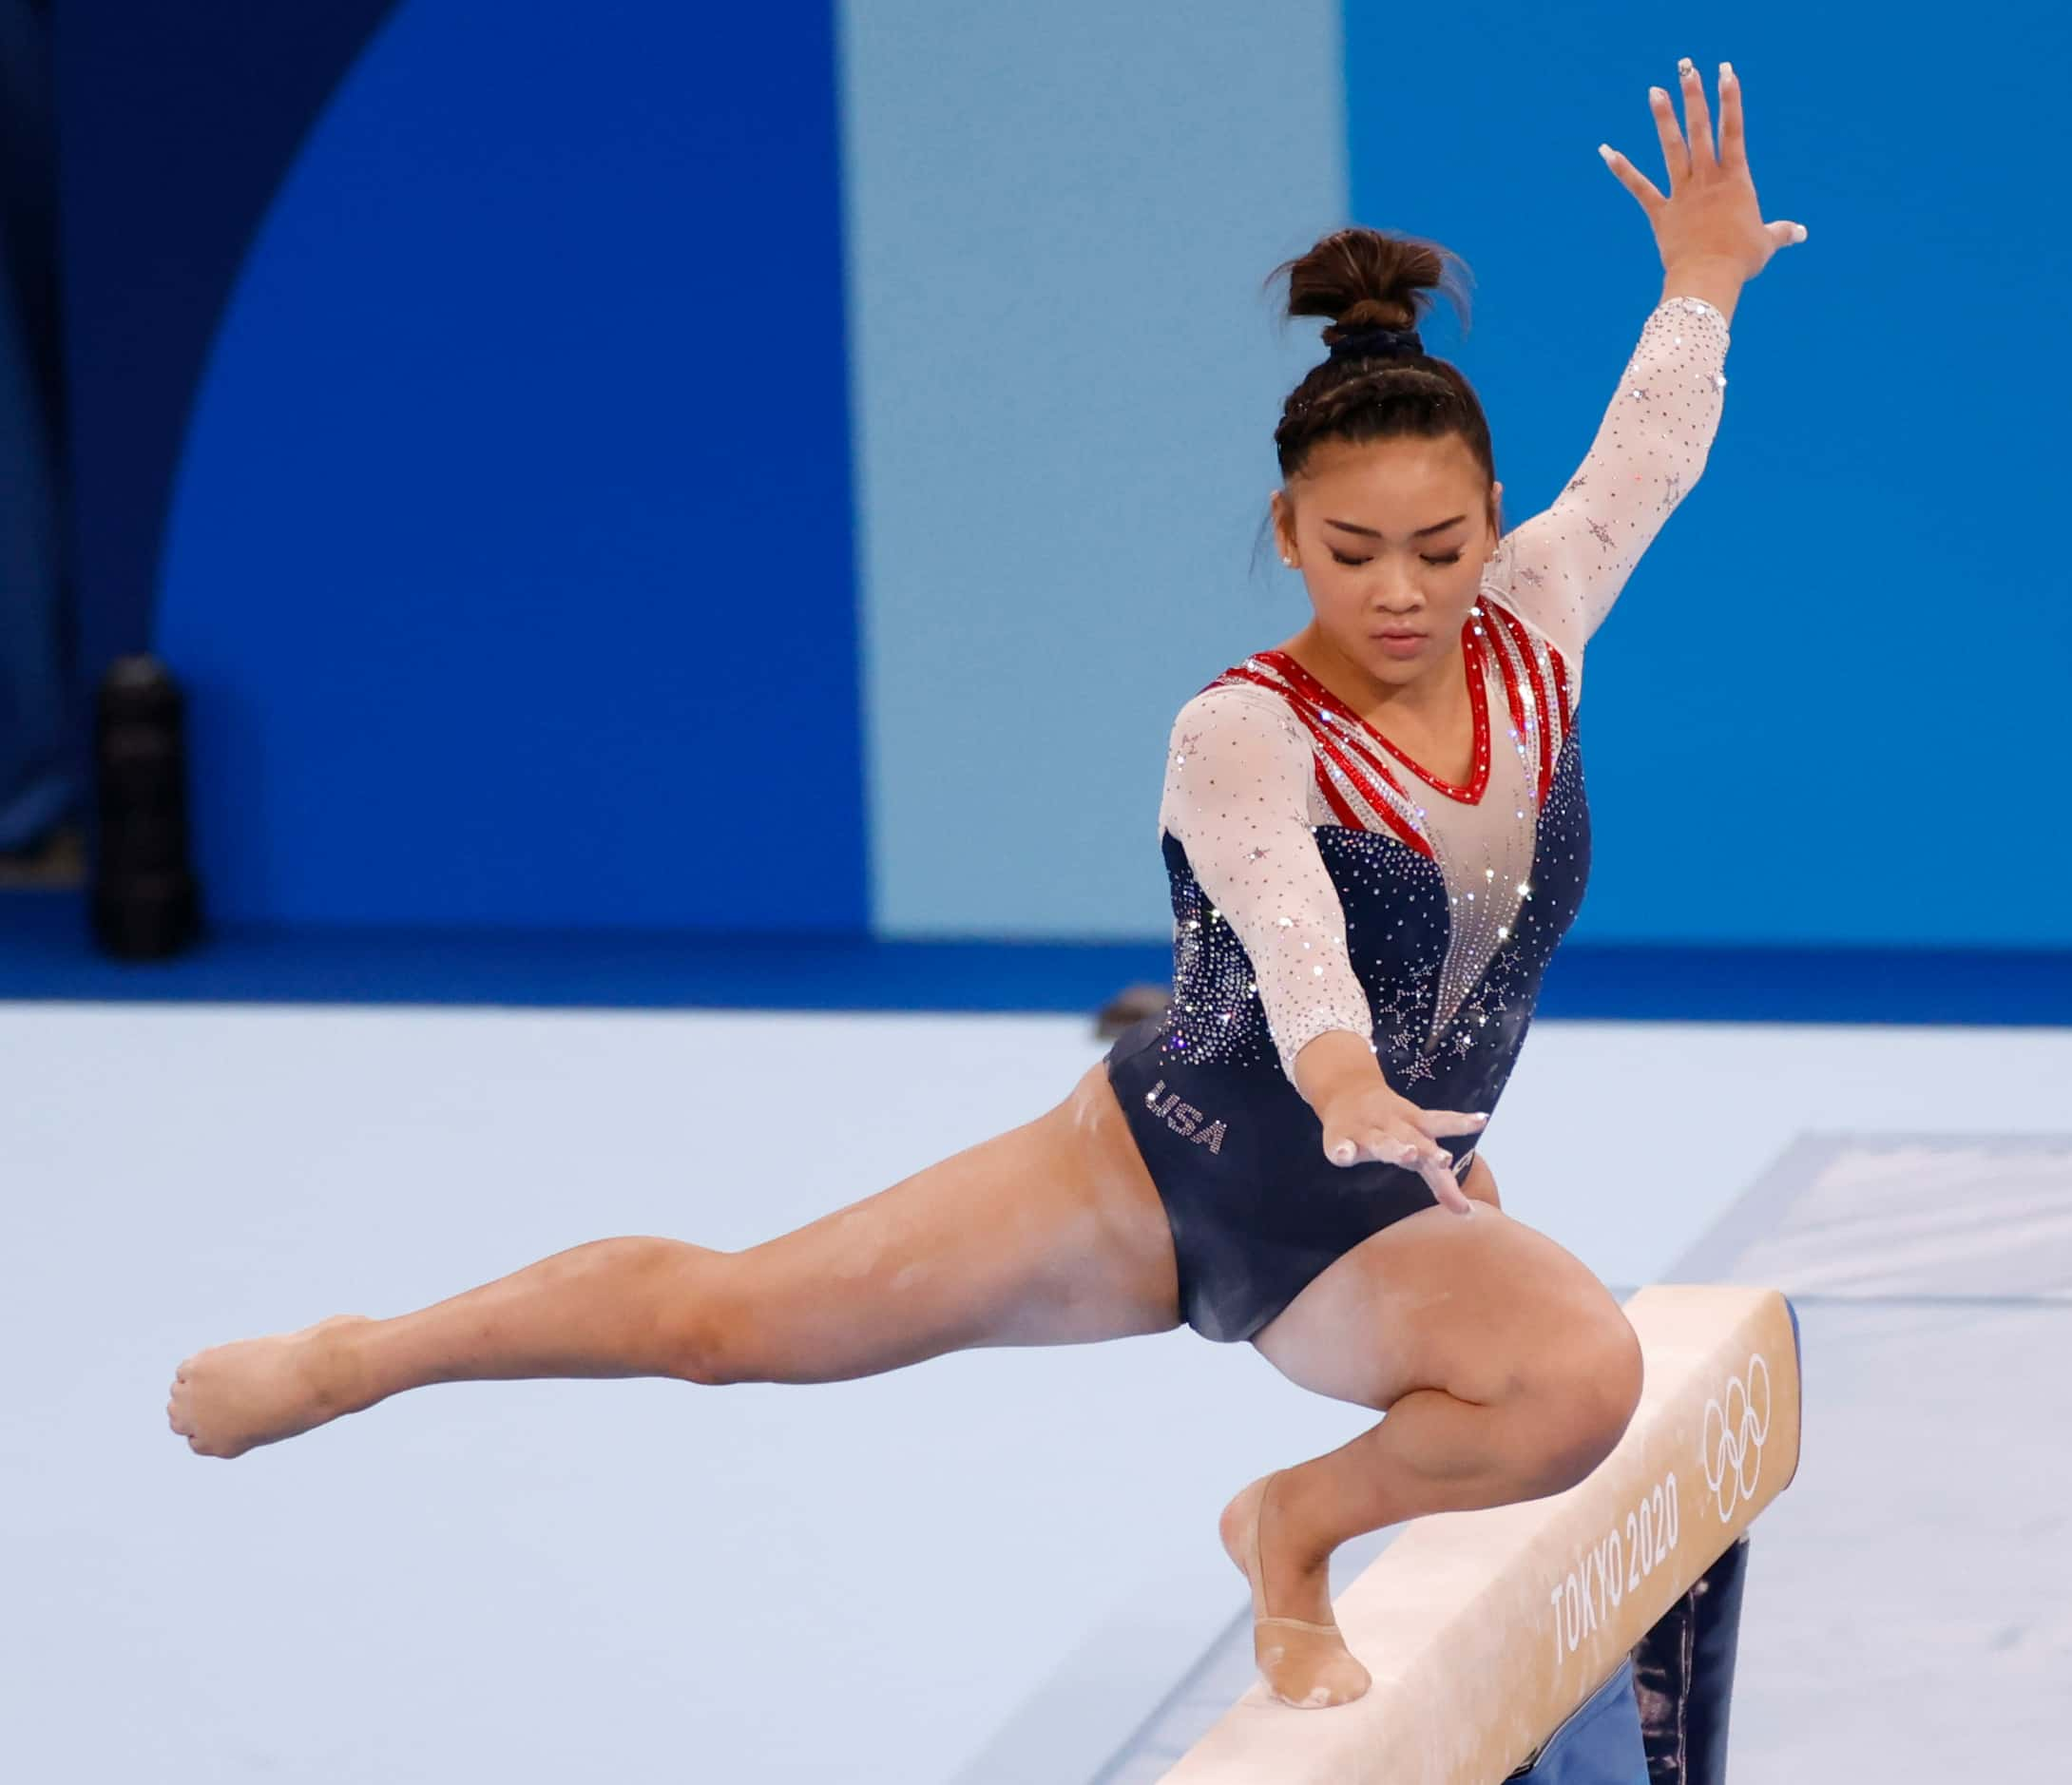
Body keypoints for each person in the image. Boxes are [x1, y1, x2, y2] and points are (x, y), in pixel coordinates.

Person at [168, 58, 1804, 1714]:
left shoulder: (1536, 620)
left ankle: (1288, 1527)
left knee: (1574, 1382)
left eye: (1441, 548)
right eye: (1352, 550)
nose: (1402, 591)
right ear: (1286, 532)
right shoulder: (1242, 731)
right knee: (732, 1324)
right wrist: (1351, 1083)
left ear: (1493, 524)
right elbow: (1301, 958)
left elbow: (1643, 462)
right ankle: (355, 1359)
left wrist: (1699, 282)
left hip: (1377, 1218)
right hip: (1186, 1158)